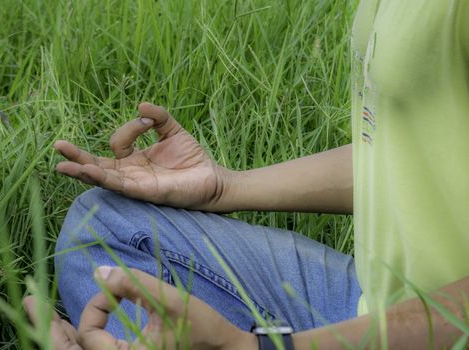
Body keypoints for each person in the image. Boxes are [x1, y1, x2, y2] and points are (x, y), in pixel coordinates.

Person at [24, 0, 469, 348]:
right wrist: (225, 186)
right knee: (105, 225)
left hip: (446, 327)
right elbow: (408, 156)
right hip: (378, 300)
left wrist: (269, 348)